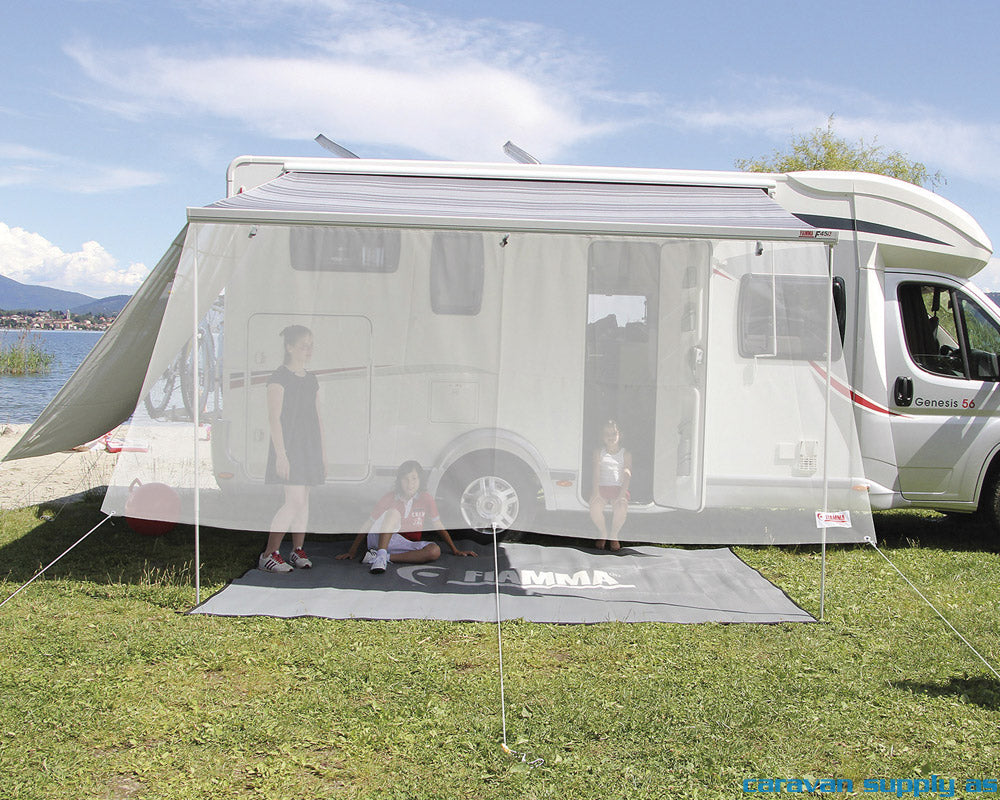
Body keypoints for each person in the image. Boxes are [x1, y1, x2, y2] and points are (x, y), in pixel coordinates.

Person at [259, 325, 326, 573]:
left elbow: (318, 417)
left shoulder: (311, 379)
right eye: (303, 346)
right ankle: (268, 554)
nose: (308, 350)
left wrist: (323, 455)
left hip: (309, 446)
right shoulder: (278, 378)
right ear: (289, 347)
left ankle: (297, 550)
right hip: (289, 447)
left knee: (304, 500)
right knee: (294, 501)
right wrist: (281, 455)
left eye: (311, 345)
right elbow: (274, 418)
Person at [338, 460, 475, 573]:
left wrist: (455, 550)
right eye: (406, 479)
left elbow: (438, 525)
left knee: (434, 551)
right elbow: (369, 523)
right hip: (380, 539)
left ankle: (382, 557)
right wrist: (352, 551)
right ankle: (380, 555)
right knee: (394, 513)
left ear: (420, 480)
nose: (410, 484)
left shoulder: (426, 498)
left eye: (414, 479)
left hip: (404, 544)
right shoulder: (390, 497)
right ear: (399, 481)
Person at [588, 419, 632, 551]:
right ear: (602, 437)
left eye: (613, 433)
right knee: (595, 508)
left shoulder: (625, 454)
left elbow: (627, 474)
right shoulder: (599, 452)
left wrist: (622, 494)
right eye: (607, 434)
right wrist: (596, 492)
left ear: (620, 435)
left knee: (621, 509)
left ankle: (614, 534)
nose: (610, 437)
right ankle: (603, 532)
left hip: (618, 488)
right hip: (601, 487)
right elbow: (596, 473)